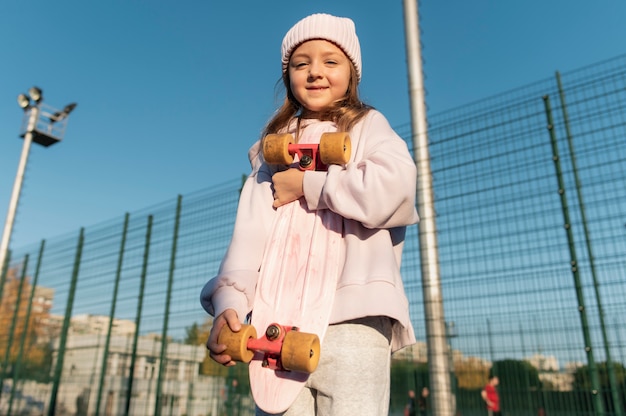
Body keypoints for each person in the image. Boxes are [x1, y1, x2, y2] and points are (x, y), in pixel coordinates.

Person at [200, 12, 419, 415]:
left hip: (354, 321)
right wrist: (228, 304)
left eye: (330, 61)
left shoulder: (368, 127)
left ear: (352, 74)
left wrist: (308, 185)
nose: (315, 72)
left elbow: (396, 191)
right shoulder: (273, 150)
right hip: (279, 324)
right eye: (302, 63)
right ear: (289, 77)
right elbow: (247, 241)